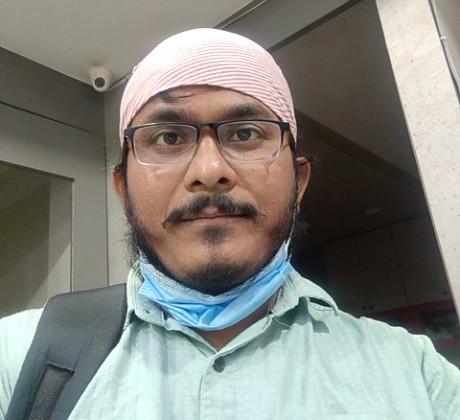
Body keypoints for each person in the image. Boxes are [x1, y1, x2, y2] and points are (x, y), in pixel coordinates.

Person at [1, 28, 459, 419]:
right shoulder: (19, 358)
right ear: (123, 189)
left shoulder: (418, 377)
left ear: (298, 182)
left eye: (245, 133)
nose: (209, 170)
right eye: (168, 137)